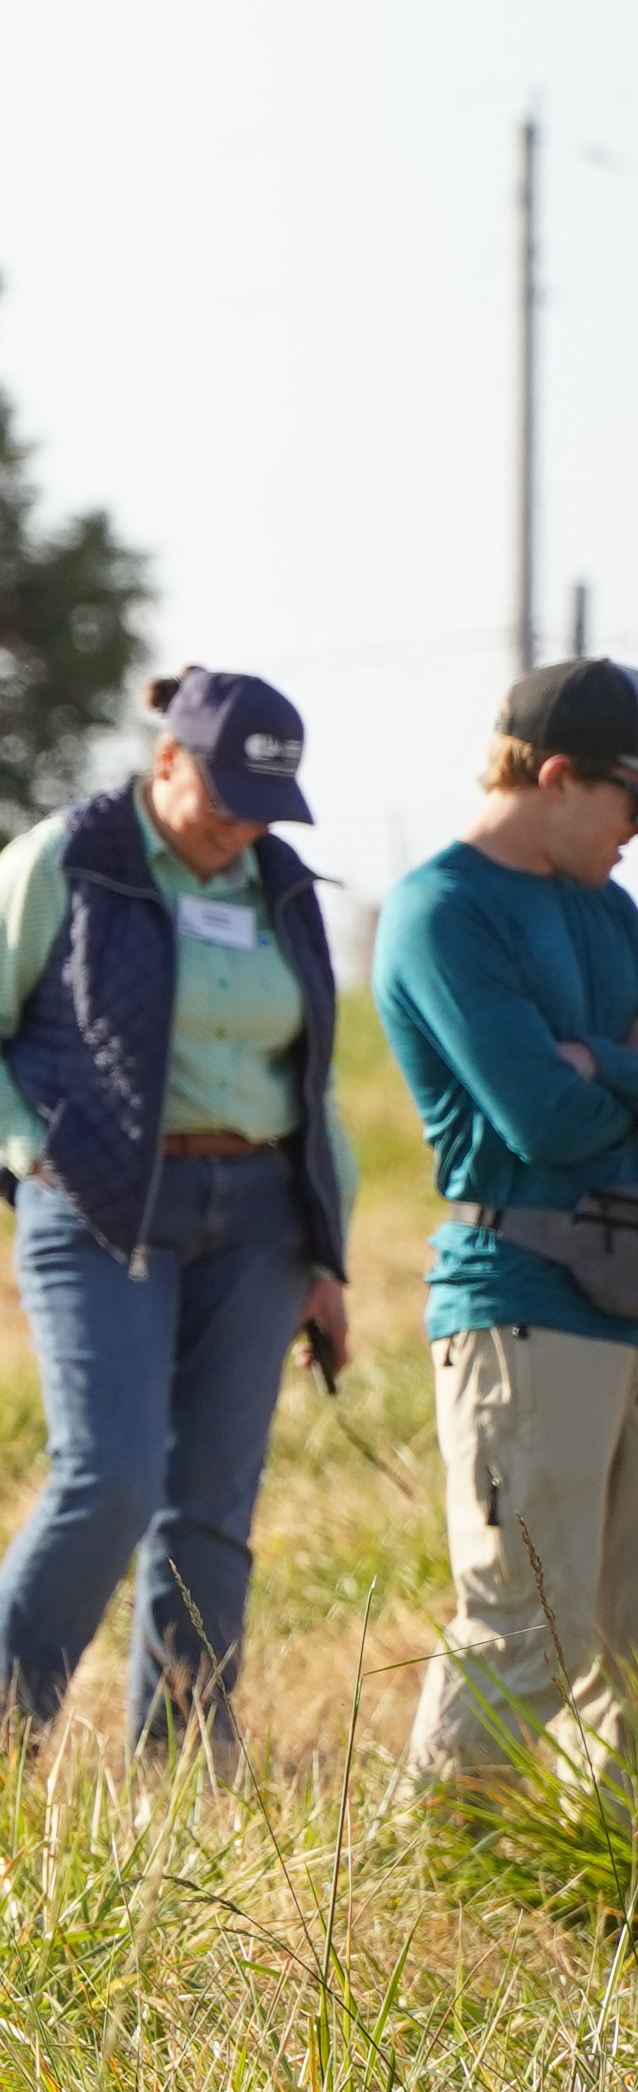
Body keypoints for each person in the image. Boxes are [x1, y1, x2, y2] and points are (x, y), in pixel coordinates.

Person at [0, 664, 349, 1764]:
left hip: (259, 1221)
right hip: (99, 1205)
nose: (242, 829)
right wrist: (31, 1150)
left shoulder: (280, 884)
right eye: (225, 800)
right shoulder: (68, 859)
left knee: (212, 1502)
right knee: (110, 1477)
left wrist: (328, 1258)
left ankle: (189, 1771)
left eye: (266, 810)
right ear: (167, 761)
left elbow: (311, 1081)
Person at [371, 658, 638, 1793]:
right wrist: (604, 1076)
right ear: (561, 775)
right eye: (636, 800)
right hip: (525, 1302)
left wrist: (605, 1061)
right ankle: (417, 1904)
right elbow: (542, 1114)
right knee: (526, 1634)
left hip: (623, 1297)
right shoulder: (443, 912)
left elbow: (588, 1085)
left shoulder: (609, 908)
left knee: (628, 1647)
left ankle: (594, 1885)